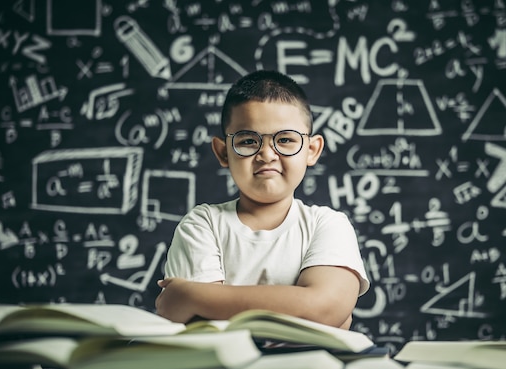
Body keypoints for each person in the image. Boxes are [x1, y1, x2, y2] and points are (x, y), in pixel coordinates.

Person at [155, 70, 369, 329]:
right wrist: (303, 306)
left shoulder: (328, 225)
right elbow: (198, 327)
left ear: (312, 150)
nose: (267, 154)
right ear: (223, 153)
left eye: (286, 140)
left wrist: (191, 295)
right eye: (247, 141)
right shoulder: (203, 224)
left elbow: (323, 309)